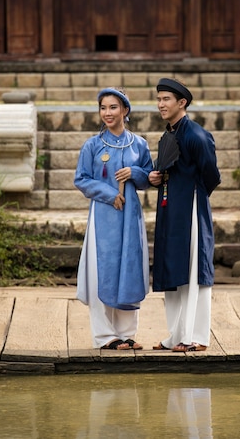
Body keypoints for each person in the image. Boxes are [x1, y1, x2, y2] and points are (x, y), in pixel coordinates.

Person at [74, 87, 153, 350]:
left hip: (130, 216)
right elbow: (82, 179)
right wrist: (109, 194)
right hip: (104, 217)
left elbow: (150, 178)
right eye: (103, 108)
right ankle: (105, 335)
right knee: (102, 270)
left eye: (113, 108)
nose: (107, 113)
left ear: (125, 111)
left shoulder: (139, 144)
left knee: (129, 267)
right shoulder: (93, 145)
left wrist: (134, 172)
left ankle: (127, 333)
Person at [148, 78, 221, 352]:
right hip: (170, 210)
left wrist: (193, 198)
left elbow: (211, 176)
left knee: (193, 270)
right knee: (173, 268)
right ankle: (176, 334)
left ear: (182, 103)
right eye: (158, 99)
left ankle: (196, 337)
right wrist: (154, 177)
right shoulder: (168, 135)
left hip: (190, 209)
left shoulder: (197, 136)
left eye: (166, 99)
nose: (161, 104)